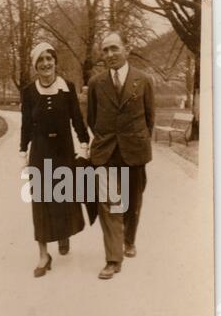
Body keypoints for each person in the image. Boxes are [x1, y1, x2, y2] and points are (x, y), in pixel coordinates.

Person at [87, 32, 155, 279]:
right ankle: (113, 259)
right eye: (104, 51)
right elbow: (92, 119)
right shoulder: (96, 83)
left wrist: (135, 139)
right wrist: (107, 139)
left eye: (114, 48)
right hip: (106, 151)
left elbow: (150, 119)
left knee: (132, 201)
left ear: (127, 49)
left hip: (134, 150)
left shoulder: (144, 80)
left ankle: (129, 239)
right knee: (109, 205)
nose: (109, 55)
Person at [20, 42, 90, 277]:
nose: (46, 63)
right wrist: (23, 151)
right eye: (41, 59)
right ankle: (43, 255)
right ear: (35, 65)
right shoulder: (29, 92)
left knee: (63, 197)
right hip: (40, 151)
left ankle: (63, 234)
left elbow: (76, 118)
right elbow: (26, 124)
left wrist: (83, 144)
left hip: (63, 150)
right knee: (40, 202)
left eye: (49, 58)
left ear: (55, 61)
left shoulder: (67, 88)